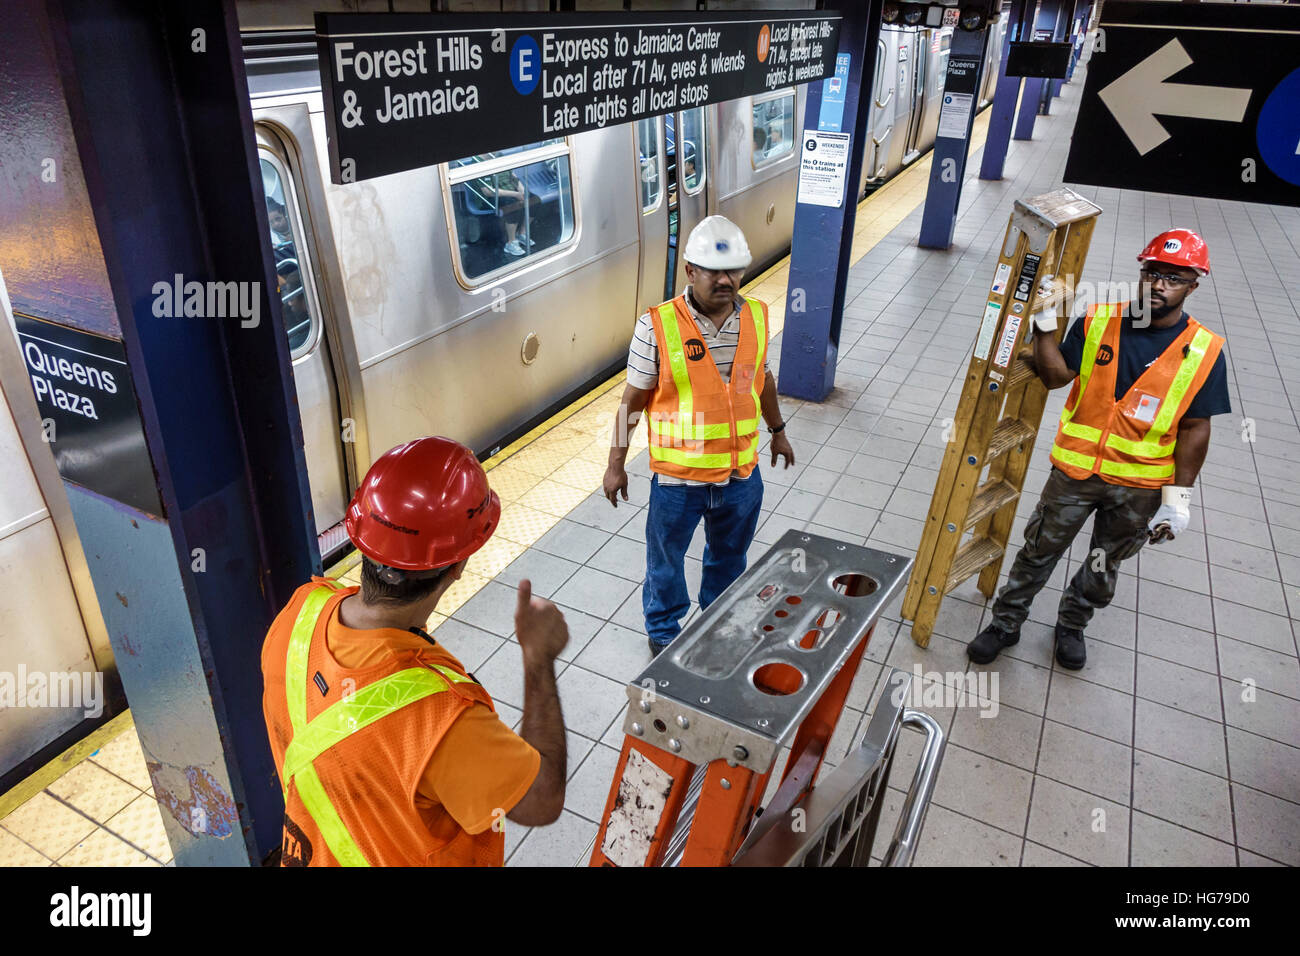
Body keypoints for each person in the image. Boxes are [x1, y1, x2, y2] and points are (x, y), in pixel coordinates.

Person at [261, 437, 568, 866]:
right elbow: (543, 800)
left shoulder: (299, 615)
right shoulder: (443, 719)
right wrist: (539, 659)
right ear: (459, 565)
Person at [968, 229, 1230, 670]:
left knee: (1104, 562)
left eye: (1175, 277)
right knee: (1038, 550)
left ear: (1193, 285)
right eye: (1153, 273)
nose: (1159, 284)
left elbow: (1196, 428)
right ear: (1142, 272)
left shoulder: (1204, 351)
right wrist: (1045, 329)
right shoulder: (1097, 321)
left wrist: (1178, 502)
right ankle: (1005, 624)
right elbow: (1055, 376)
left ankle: (1072, 625)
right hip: (1074, 473)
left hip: (1140, 486)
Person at [603, 216, 795, 657]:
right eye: (714, 270)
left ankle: (718, 621)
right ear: (690, 271)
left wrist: (778, 432)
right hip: (677, 482)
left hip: (740, 477)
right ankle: (664, 632)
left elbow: (762, 381)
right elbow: (630, 403)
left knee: (730, 560)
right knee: (666, 564)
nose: (726, 280)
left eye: (734, 270)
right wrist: (615, 465)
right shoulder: (657, 326)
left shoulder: (758, 318)